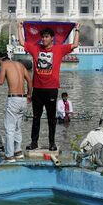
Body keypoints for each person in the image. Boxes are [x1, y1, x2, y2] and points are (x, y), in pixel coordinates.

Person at [18, 21, 80, 151]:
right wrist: (19, 28)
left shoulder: (58, 49)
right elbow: (22, 43)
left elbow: (74, 45)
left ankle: (52, 143)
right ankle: (34, 142)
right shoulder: (36, 49)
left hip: (51, 89)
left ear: (52, 38)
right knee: (36, 117)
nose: (44, 39)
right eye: (43, 37)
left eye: (46, 37)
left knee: (52, 118)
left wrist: (77, 30)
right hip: (37, 90)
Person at [0, 54, 32, 162]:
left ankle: (9, 155)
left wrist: (2, 69)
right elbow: (30, 81)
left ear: (0, 60)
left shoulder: (4, 65)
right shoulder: (20, 65)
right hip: (23, 99)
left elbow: (0, 82)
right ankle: (18, 152)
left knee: (10, 129)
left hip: (13, 99)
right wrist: (29, 95)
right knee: (17, 127)